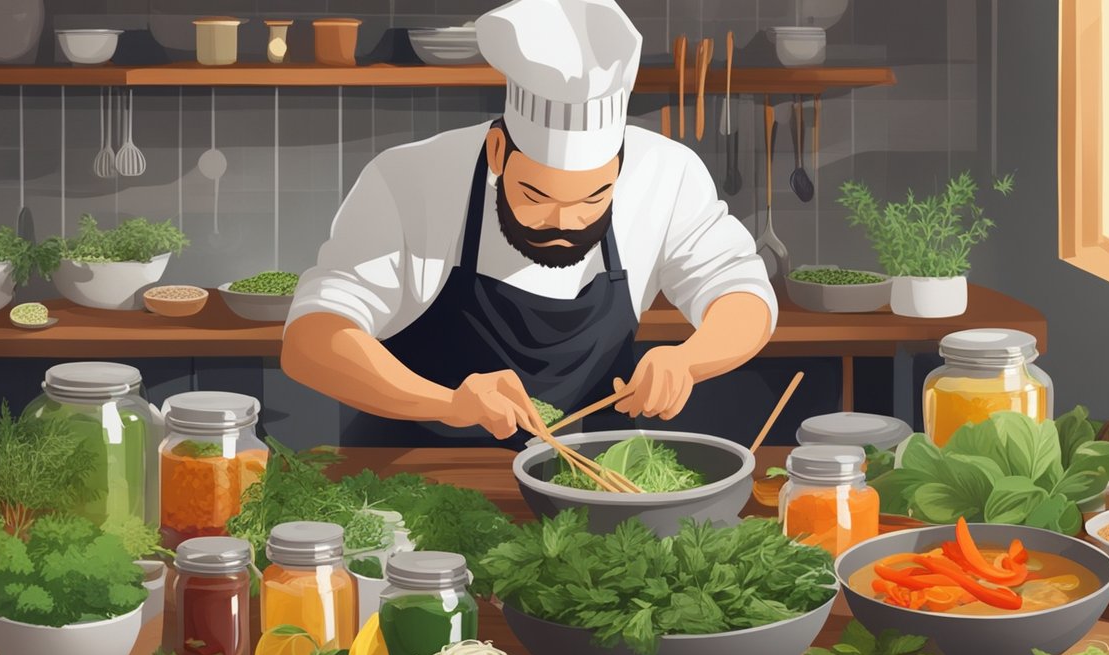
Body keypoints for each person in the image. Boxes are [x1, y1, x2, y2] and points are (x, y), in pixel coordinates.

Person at [282, 0, 777, 446]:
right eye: (536, 195)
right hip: (411, 473)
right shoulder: (409, 179)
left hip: (588, 478)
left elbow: (743, 293)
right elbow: (312, 340)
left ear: (621, 165)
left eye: (594, 197)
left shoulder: (668, 173)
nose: (564, 221)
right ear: (499, 151)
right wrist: (448, 404)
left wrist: (688, 360)